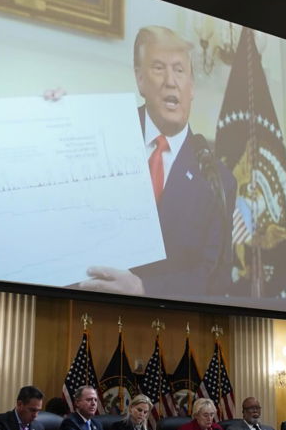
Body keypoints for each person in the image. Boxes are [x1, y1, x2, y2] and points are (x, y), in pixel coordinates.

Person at [53, 26, 236, 299]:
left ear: (192, 87)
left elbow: (213, 279)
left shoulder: (217, 180)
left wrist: (144, 289)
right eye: (159, 68)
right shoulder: (98, 135)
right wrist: (50, 120)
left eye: (180, 70)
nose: (171, 81)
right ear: (140, 80)